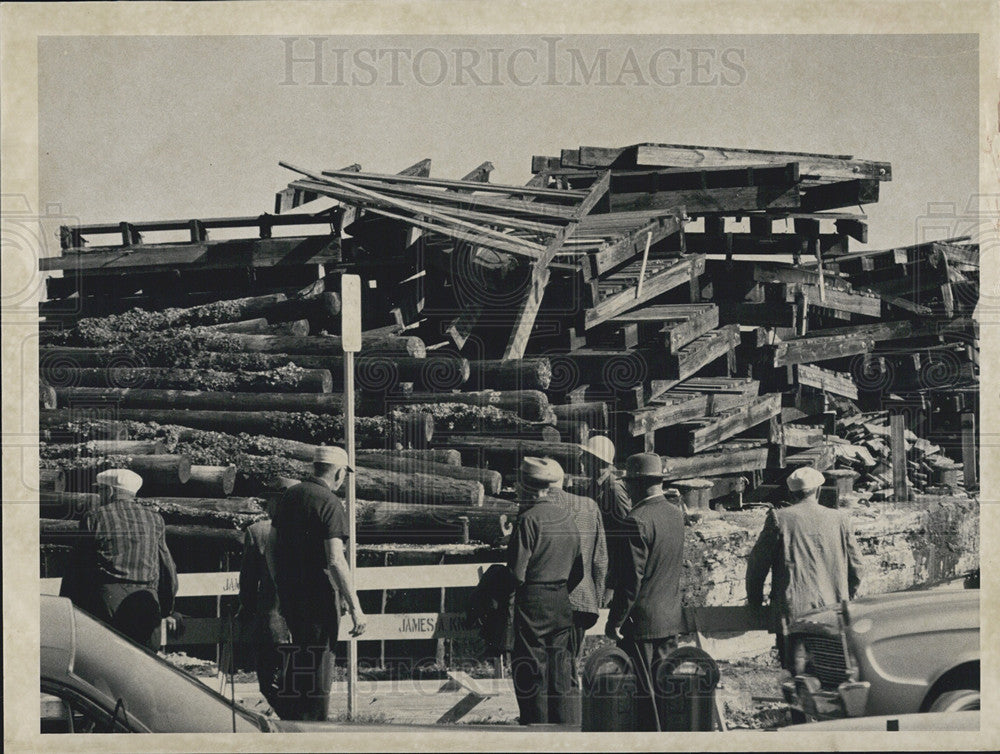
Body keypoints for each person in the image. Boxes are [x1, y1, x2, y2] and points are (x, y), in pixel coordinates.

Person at [266, 445, 366, 721]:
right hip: (319, 596)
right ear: (338, 473)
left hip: (290, 595)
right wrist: (355, 605)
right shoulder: (330, 503)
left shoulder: (290, 496)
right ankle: (315, 732)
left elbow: (271, 547)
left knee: (298, 663)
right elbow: (335, 559)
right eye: (344, 475)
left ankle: (293, 727)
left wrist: (280, 583)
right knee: (319, 670)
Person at [746, 466, 863, 658]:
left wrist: (755, 603)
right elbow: (857, 567)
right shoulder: (840, 519)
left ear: (792, 493)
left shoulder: (779, 518)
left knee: (794, 673)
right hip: (832, 614)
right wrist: (844, 596)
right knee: (830, 670)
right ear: (817, 490)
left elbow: (757, 566)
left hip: (793, 614)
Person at [605, 453, 685, 732]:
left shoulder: (636, 520)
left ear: (634, 485)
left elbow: (630, 582)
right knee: (667, 691)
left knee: (644, 697)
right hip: (670, 618)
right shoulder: (676, 515)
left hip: (641, 624)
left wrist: (615, 621)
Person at [61, 468, 178, 649]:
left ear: (110, 491)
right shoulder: (155, 519)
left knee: (108, 662)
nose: (99, 496)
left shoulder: (94, 517)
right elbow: (167, 567)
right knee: (145, 663)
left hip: (106, 601)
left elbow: (77, 567)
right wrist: (166, 608)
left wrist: (68, 605)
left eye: (100, 490)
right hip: (147, 600)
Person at [507, 457, 583, 726]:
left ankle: (536, 729)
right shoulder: (567, 516)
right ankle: (567, 728)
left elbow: (517, 572)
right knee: (561, 669)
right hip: (562, 599)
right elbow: (579, 570)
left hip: (533, 600)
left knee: (532, 668)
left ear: (526, 487)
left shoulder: (528, 520)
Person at [546, 466, 608, 687]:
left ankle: (557, 717)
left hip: (547, 602)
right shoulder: (589, 507)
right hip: (582, 597)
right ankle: (572, 713)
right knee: (571, 661)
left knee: (548, 667)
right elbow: (600, 558)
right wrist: (597, 598)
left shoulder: (536, 509)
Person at [238, 515, 292, 718]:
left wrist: (247, 608)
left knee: (269, 682)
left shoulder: (258, 531)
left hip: (273, 620)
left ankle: (289, 720)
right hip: (307, 620)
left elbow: (248, 581)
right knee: (304, 684)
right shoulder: (312, 527)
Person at [577, 435, 631, 605]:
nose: (581, 460)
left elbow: (628, 536)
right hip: (598, 560)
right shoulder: (595, 486)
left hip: (611, 566)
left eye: (585, 456)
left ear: (597, 460)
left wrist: (613, 584)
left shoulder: (614, 489)